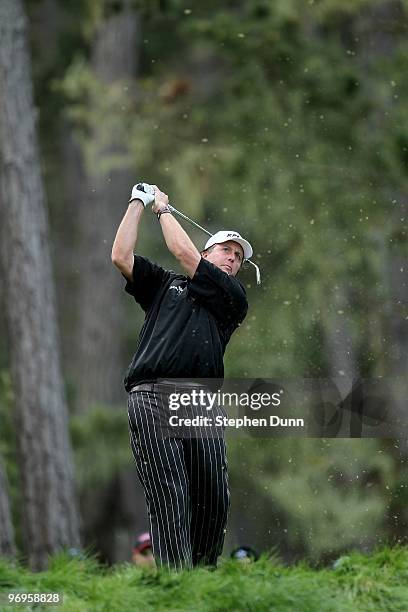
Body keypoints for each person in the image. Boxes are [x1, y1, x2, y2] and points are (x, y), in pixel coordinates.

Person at [111, 183, 252, 570]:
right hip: (151, 394)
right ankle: (177, 584)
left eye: (238, 257)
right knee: (169, 493)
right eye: (226, 250)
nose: (232, 260)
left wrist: (163, 210)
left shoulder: (231, 297)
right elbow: (121, 256)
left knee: (212, 495)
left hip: (200, 399)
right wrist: (137, 203)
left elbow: (185, 254)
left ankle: (203, 580)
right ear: (210, 251)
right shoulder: (164, 284)